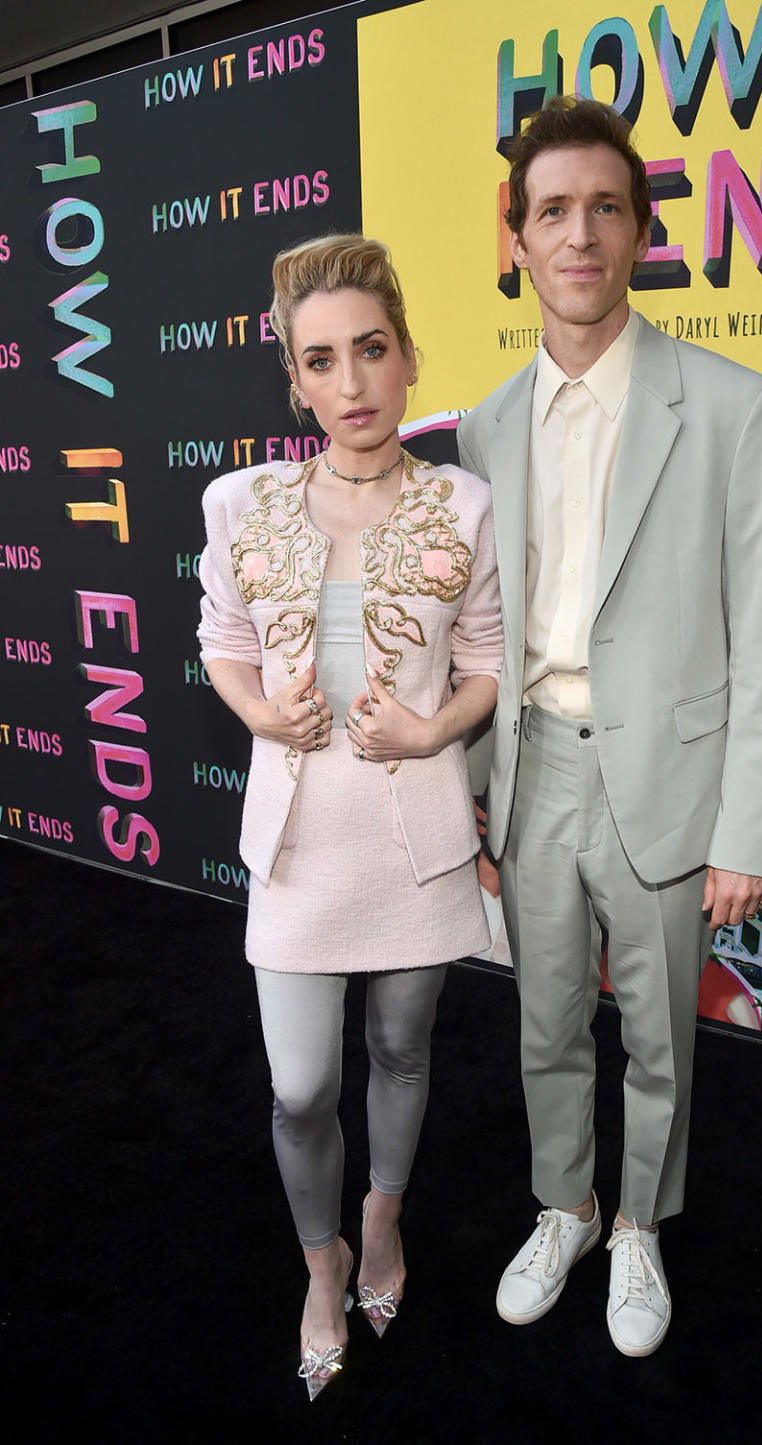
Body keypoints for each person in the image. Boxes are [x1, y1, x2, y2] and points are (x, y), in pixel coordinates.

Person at [458, 97, 762, 1357]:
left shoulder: (731, 402)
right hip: (534, 767)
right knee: (545, 1021)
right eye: (553, 212)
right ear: (518, 239)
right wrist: (479, 801)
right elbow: (481, 633)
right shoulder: (486, 424)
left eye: (605, 207)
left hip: (670, 777)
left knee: (659, 1032)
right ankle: (567, 1203)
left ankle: (641, 1224)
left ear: (643, 229)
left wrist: (746, 823)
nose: (579, 234)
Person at [197, 234, 502, 1398]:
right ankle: (318, 1262)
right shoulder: (243, 501)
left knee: (401, 1047)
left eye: (372, 350)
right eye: (322, 360)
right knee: (301, 1089)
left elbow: (479, 661)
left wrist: (433, 734)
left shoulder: (461, 504)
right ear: (296, 381)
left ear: (409, 357)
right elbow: (221, 642)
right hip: (296, 844)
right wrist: (264, 714)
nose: (354, 382)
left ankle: (379, 1225)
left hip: (414, 837)